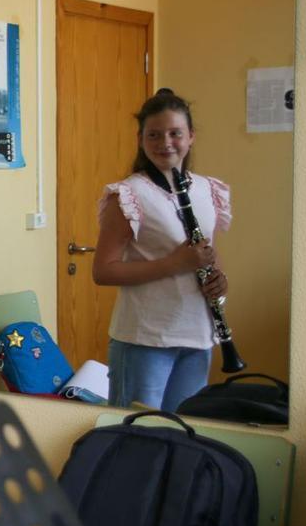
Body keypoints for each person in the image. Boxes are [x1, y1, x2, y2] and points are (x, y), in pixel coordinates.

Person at [92, 88, 231, 412]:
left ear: (191, 136)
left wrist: (220, 281)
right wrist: (175, 263)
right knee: (137, 439)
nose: (165, 142)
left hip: (197, 335)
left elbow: (207, 254)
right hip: (145, 339)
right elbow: (103, 270)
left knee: (182, 437)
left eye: (175, 133)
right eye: (154, 135)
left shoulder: (208, 190)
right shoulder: (128, 194)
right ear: (141, 139)